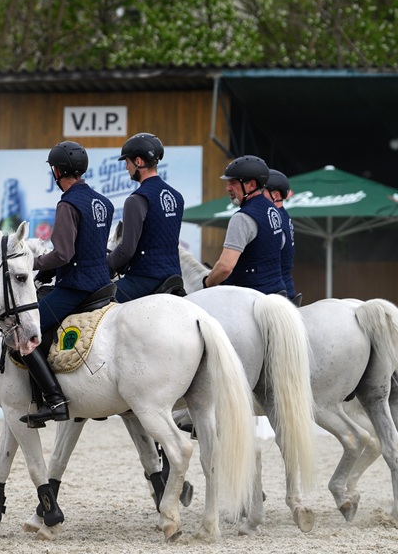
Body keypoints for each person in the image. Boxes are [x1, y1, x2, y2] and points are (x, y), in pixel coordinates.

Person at [22, 140, 115, 427]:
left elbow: (63, 253)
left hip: (77, 286)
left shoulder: (68, 204)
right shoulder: (104, 202)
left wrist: (31, 264)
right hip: (103, 284)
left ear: (57, 170)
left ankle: (55, 399)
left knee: (24, 333)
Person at [107, 132, 184, 302]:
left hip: (144, 279)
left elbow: (127, 250)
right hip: (174, 277)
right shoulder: (177, 197)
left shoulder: (136, 200)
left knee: (95, 301)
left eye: (127, 162)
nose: (127, 168)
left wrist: (106, 266)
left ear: (139, 162)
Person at [202, 155, 286, 294]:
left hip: (251, 296)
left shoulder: (242, 218)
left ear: (251, 185)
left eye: (233, 182)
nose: (228, 188)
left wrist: (206, 284)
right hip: (277, 291)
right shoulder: (274, 210)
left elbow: (225, 267)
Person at [264, 169, 299, 303]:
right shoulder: (283, 215)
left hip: (274, 295)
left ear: (276, 195)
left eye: (262, 192)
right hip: (286, 286)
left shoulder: (271, 219)